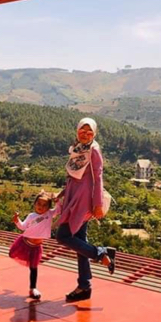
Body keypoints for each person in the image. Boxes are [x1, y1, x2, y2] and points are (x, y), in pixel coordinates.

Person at [56, 117, 116, 303]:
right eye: (82, 130)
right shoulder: (77, 149)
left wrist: (97, 204)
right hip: (73, 196)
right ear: (77, 131)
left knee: (63, 236)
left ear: (95, 133)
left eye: (89, 131)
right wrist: (62, 193)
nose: (85, 134)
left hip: (83, 201)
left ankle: (101, 253)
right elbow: (73, 176)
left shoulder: (93, 150)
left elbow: (98, 177)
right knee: (80, 242)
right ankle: (84, 286)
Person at [9, 190, 62, 300]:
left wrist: (57, 200)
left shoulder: (49, 214)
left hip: (36, 248)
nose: (41, 207)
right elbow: (23, 227)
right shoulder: (31, 216)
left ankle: (33, 288)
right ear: (34, 204)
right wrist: (17, 220)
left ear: (48, 207)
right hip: (24, 243)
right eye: (39, 204)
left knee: (34, 268)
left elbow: (59, 210)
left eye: (44, 205)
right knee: (12, 254)